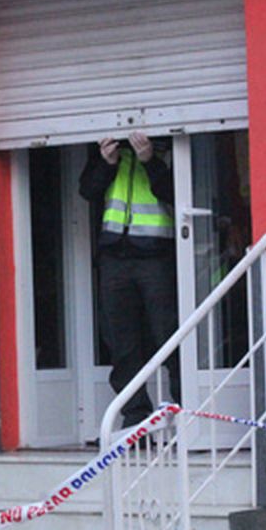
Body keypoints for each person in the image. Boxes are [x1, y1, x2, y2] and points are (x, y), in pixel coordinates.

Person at [78, 130, 178, 426]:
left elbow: (178, 192)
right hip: (114, 258)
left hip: (156, 256)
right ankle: (135, 419)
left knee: (168, 335)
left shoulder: (168, 144)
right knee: (122, 342)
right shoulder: (111, 151)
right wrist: (106, 163)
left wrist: (150, 160)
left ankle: (188, 414)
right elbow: (87, 191)